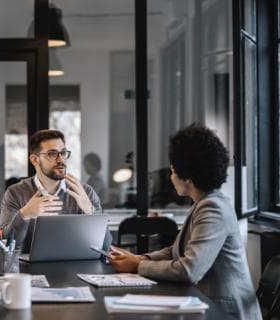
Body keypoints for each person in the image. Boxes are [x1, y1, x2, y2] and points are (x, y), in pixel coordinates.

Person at [108, 124, 261, 320]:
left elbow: (190, 270)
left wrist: (137, 266)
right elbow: (175, 250)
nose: (171, 177)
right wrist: (139, 259)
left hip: (225, 313)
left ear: (187, 176)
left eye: (173, 170)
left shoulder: (213, 208)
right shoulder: (204, 202)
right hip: (206, 304)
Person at [0, 129, 109, 252]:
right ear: (35, 160)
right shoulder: (15, 193)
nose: (61, 160)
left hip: (75, 266)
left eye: (63, 153)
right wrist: (24, 214)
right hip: (30, 269)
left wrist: (90, 211)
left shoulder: (85, 192)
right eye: (52, 154)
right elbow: (5, 245)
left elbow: (106, 247)